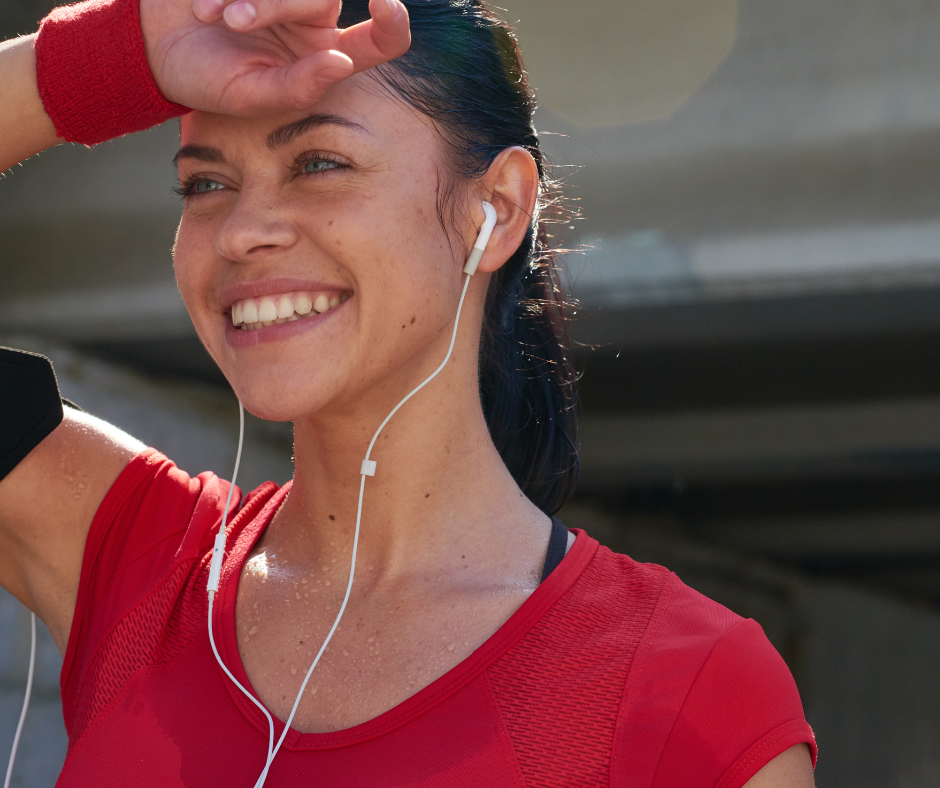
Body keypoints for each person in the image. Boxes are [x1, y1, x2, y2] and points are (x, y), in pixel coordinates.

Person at [0, 0, 817, 785]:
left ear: (495, 211)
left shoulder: (685, 691)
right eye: (206, 184)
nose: (245, 229)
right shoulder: (135, 564)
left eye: (319, 163)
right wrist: (118, 51)